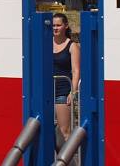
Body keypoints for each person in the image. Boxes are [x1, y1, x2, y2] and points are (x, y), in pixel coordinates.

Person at [52, 13, 80, 144]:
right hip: (47, 92)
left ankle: (69, 162)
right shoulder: (46, 43)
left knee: (64, 132)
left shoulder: (72, 46)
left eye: (58, 25)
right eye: (53, 25)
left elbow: (76, 71)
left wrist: (73, 92)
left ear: (66, 26)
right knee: (47, 130)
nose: (55, 28)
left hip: (62, 93)